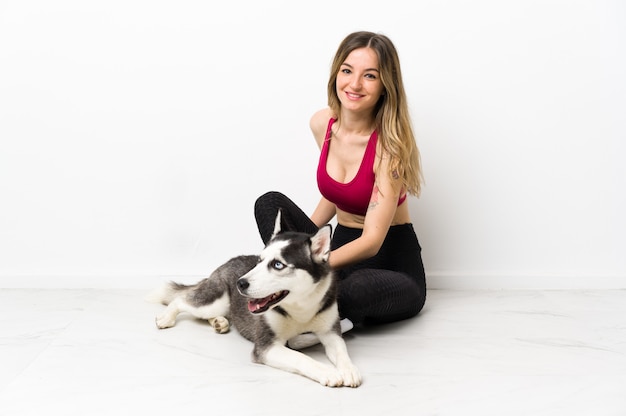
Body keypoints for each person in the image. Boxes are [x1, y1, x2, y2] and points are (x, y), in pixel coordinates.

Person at [254, 31, 426, 346]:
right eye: (347, 71)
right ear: (336, 73)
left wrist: (307, 263)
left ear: (386, 85)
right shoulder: (323, 124)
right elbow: (336, 195)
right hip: (336, 252)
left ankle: (326, 316)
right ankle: (297, 291)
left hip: (391, 264)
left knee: (356, 288)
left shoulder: (390, 149)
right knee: (269, 203)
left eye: (370, 76)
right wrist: (298, 246)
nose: (354, 84)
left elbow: (373, 241)